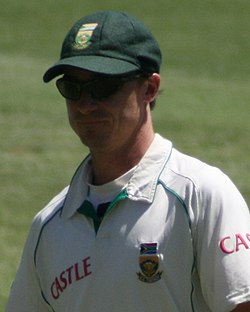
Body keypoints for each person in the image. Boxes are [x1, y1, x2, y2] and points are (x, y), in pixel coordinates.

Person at [5, 10, 250, 312]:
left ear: (150, 88)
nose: (86, 104)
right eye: (72, 88)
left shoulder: (200, 195)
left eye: (103, 86)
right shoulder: (49, 226)